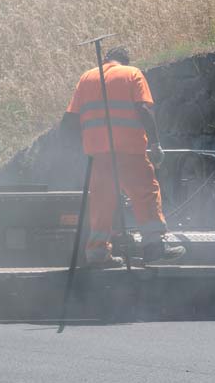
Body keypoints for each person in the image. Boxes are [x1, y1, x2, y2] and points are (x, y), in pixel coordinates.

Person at [62, 47, 185, 266]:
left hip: (98, 156)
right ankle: (154, 247)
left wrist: (75, 153)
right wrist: (156, 143)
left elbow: (70, 120)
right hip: (129, 151)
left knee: (101, 203)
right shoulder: (132, 73)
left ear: (107, 59)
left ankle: (97, 254)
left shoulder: (87, 77)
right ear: (125, 60)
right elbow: (143, 111)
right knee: (145, 194)